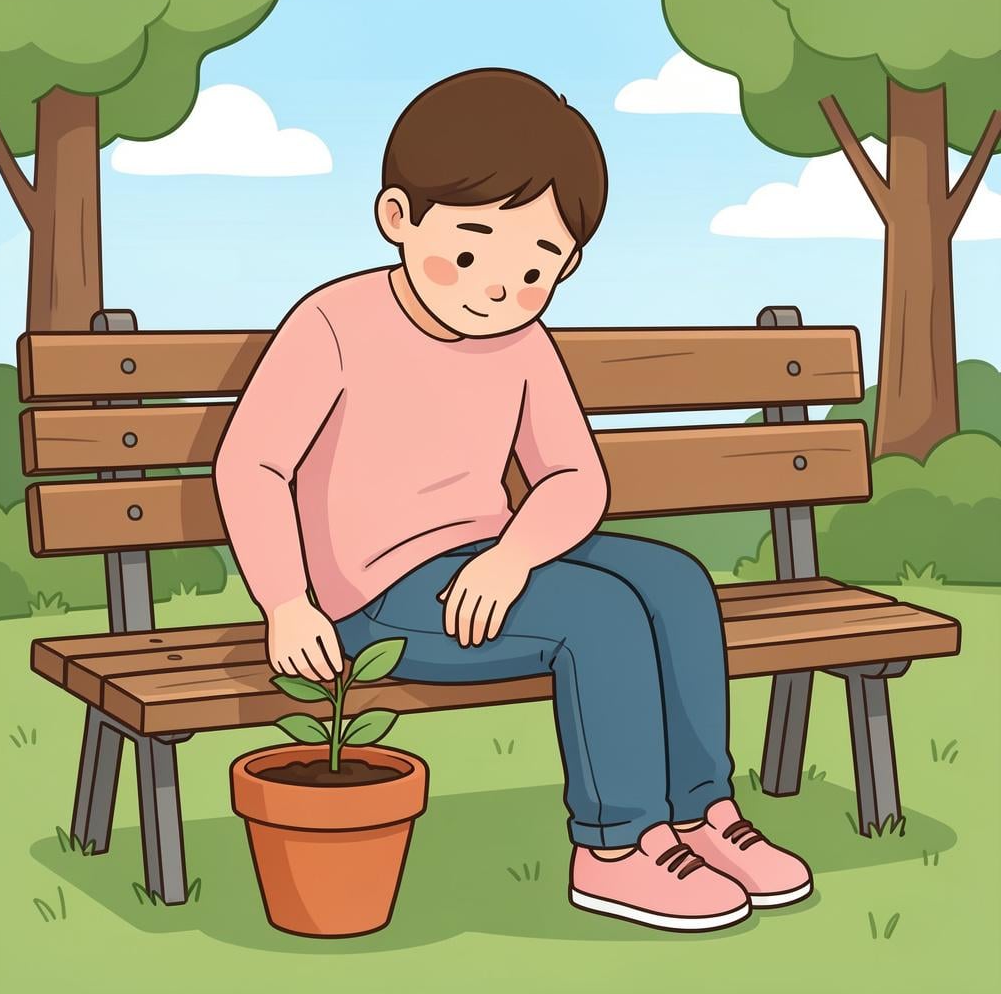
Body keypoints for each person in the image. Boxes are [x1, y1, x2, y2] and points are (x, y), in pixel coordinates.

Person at [214, 68, 812, 933]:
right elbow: (254, 465)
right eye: (470, 251)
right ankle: (615, 849)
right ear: (398, 217)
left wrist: (512, 556)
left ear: (568, 263)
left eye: (535, 267)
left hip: (482, 565)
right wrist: (285, 603)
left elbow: (574, 477)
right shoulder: (334, 324)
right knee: (598, 616)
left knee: (674, 581)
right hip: (371, 599)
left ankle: (699, 814)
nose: (497, 287)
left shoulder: (522, 342)